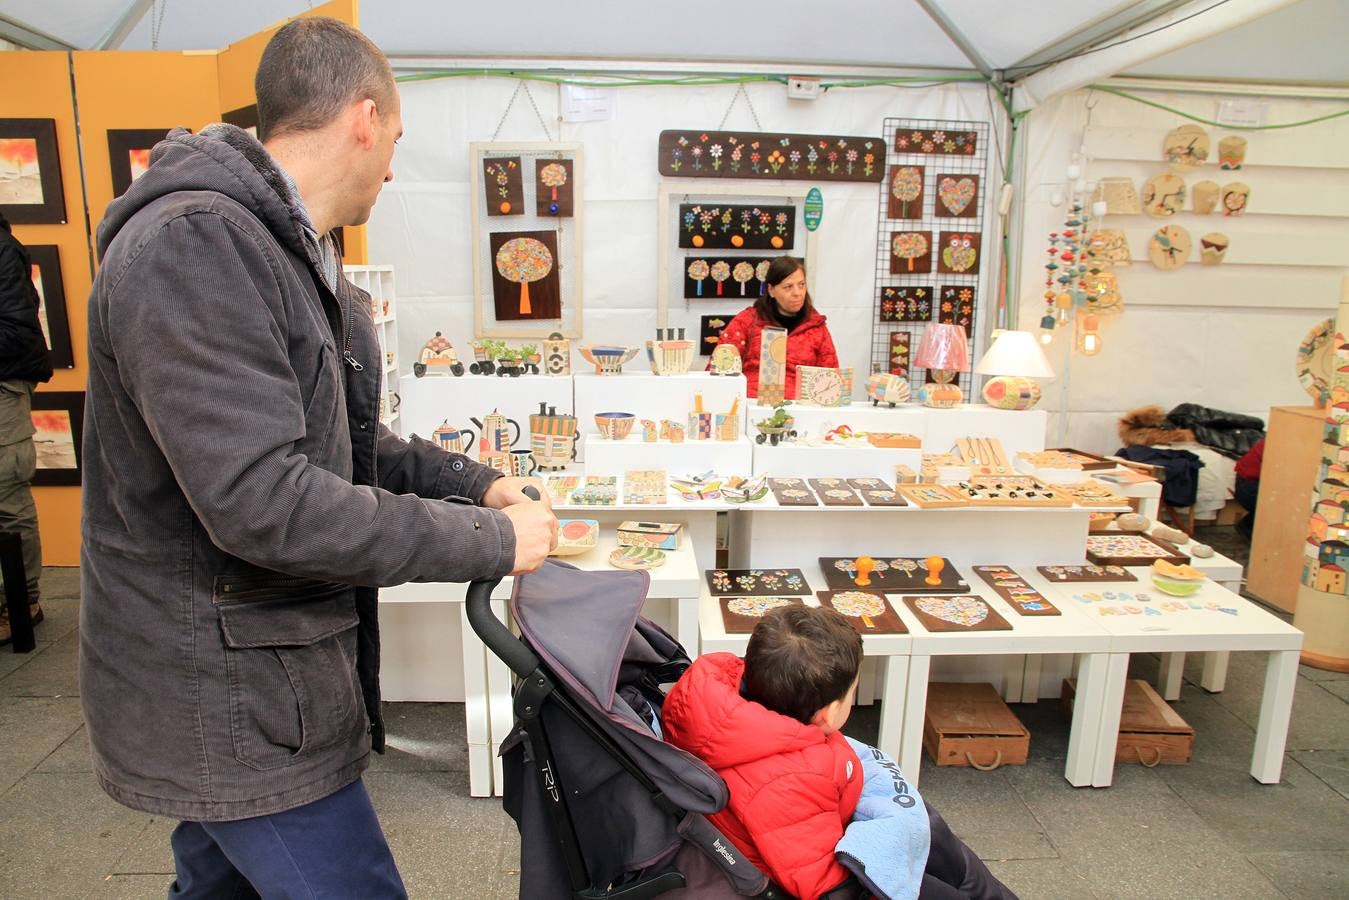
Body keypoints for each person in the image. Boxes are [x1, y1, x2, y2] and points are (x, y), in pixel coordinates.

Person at [80, 17, 556, 898]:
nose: (390, 168)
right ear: (365, 118)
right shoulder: (200, 246)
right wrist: (490, 545)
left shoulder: (284, 248)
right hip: (228, 687)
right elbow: (266, 500)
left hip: (259, 668)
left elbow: (348, 440)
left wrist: (478, 483)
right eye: (396, 141)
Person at [662, 605, 1015, 900]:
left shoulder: (729, 706)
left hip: (813, 820)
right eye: (852, 694)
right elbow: (817, 880)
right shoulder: (788, 782)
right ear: (827, 714)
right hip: (819, 864)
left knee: (939, 843)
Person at [0, 211, 53, 646]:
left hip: (2, 383)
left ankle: (20, 602)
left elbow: (18, 331)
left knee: (5, 491)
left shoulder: (3, 249)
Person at [712, 256, 839, 399]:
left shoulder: (817, 327)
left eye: (801, 284)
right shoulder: (747, 321)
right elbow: (720, 367)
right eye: (788, 287)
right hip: (751, 404)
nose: (797, 293)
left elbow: (830, 379)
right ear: (771, 290)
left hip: (800, 408)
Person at [1234, 437, 1264, 539]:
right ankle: (1246, 526)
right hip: (1248, 485)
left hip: (1251, 483)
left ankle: (1246, 526)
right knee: (1274, 507)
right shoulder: (1278, 444)